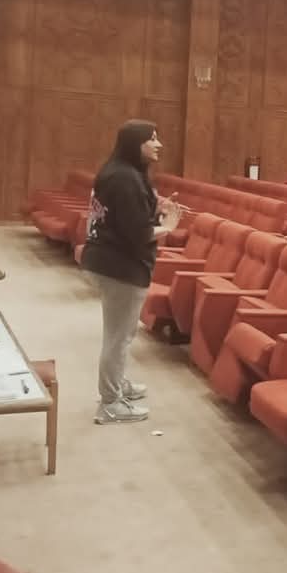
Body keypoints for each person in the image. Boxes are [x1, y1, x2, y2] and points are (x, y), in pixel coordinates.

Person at [82, 120, 182, 425]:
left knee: (119, 334)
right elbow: (137, 233)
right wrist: (169, 227)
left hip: (107, 260)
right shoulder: (126, 178)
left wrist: (154, 207)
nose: (158, 144)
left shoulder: (118, 171)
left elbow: (124, 215)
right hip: (121, 266)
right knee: (118, 337)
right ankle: (110, 403)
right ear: (135, 143)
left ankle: (117, 382)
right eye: (152, 139)